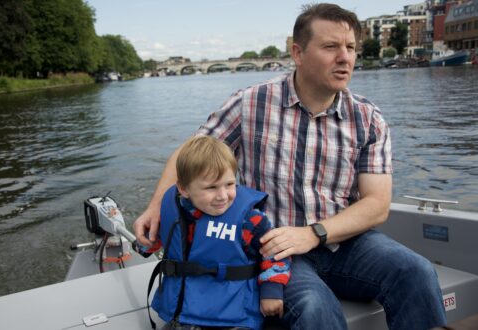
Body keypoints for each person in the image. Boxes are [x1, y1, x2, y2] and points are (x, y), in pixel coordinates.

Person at [135, 3, 447, 329]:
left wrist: (314, 234)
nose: (345, 57)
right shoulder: (251, 103)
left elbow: (377, 205)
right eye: (331, 47)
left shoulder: (368, 118)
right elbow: (189, 152)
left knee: (416, 271)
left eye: (351, 47)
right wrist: (157, 205)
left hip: (345, 242)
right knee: (314, 306)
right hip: (277, 248)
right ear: (298, 53)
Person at [144, 136, 290, 330]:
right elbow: (165, 239)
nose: (222, 195)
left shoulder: (250, 219)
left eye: (229, 184)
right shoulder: (175, 210)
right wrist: (147, 241)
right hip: (184, 313)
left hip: (235, 316)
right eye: (211, 187)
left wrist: (271, 291)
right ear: (184, 189)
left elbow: (274, 252)